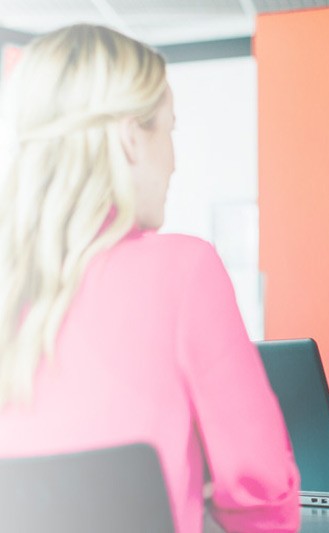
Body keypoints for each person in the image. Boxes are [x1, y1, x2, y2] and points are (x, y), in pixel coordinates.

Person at [0, 24, 299, 531]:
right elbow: (260, 495)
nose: (175, 160)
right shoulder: (183, 270)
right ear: (129, 137)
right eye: (168, 129)